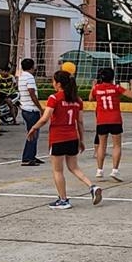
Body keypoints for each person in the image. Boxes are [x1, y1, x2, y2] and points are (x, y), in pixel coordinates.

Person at [26, 70, 103, 210]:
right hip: (72, 137)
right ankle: (92, 186)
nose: (53, 84)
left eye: (53, 81)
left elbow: (45, 118)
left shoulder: (54, 98)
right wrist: (81, 140)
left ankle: (63, 200)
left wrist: (34, 128)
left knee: (58, 171)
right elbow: (80, 122)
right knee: (74, 167)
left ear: (59, 83)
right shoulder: (77, 100)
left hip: (58, 138)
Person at [89, 67, 132, 182]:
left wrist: (93, 86)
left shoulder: (97, 89)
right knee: (116, 145)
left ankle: (99, 170)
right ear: (112, 77)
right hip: (115, 120)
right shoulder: (116, 88)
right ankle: (115, 170)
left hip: (101, 120)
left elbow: (90, 98)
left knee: (101, 145)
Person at [18, 58, 44, 167]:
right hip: (31, 109)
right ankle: (27, 157)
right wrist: (40, 108)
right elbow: (32, 93)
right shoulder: (29, 77)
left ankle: (32, 155)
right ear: (32, 67)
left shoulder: (21, 76)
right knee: (33, 134)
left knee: (33, 133)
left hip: (25, 108)